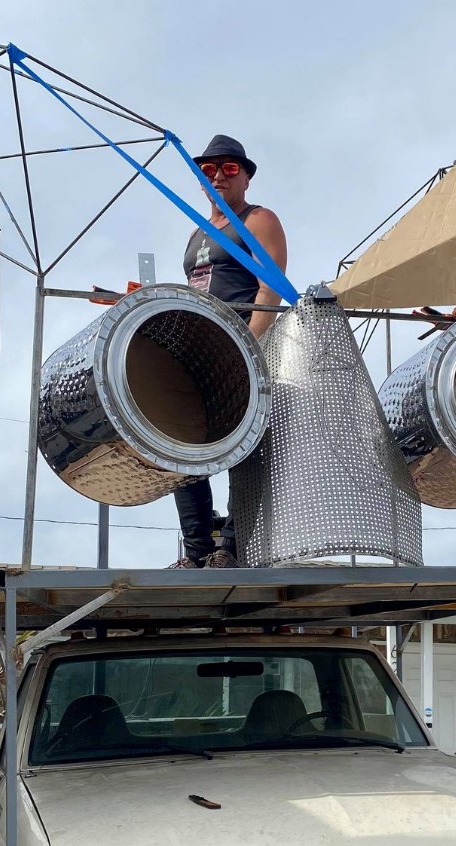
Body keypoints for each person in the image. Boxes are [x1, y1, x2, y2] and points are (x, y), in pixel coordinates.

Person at [172, 135, 288, 568]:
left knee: (244, 446)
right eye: (208, 169)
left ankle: (233, 548)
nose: (218, 175)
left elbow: (270, 289)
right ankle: (197, 549)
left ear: (246, 176)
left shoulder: (258, 220)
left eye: (229, 168)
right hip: (198, 348)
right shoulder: (197, 232)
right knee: (183, 445)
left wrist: (249, 348)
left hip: (240, 342)